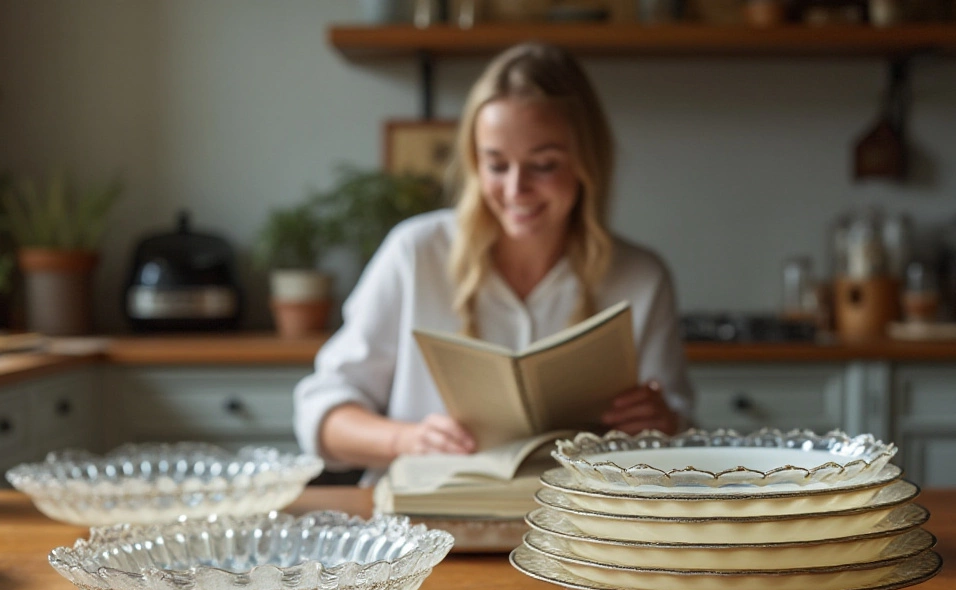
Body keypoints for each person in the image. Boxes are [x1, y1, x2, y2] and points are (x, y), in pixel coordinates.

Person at [294, 42, 693, 482]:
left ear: (587, 163)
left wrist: (663, 423)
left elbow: (679, 435)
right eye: (497, 165)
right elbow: (321, 411)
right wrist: (403, 440)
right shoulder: (415, 252)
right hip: (424, 531)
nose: (515, 188)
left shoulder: (640, 277)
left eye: (543, 165)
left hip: (579, 532)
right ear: (473, 163)